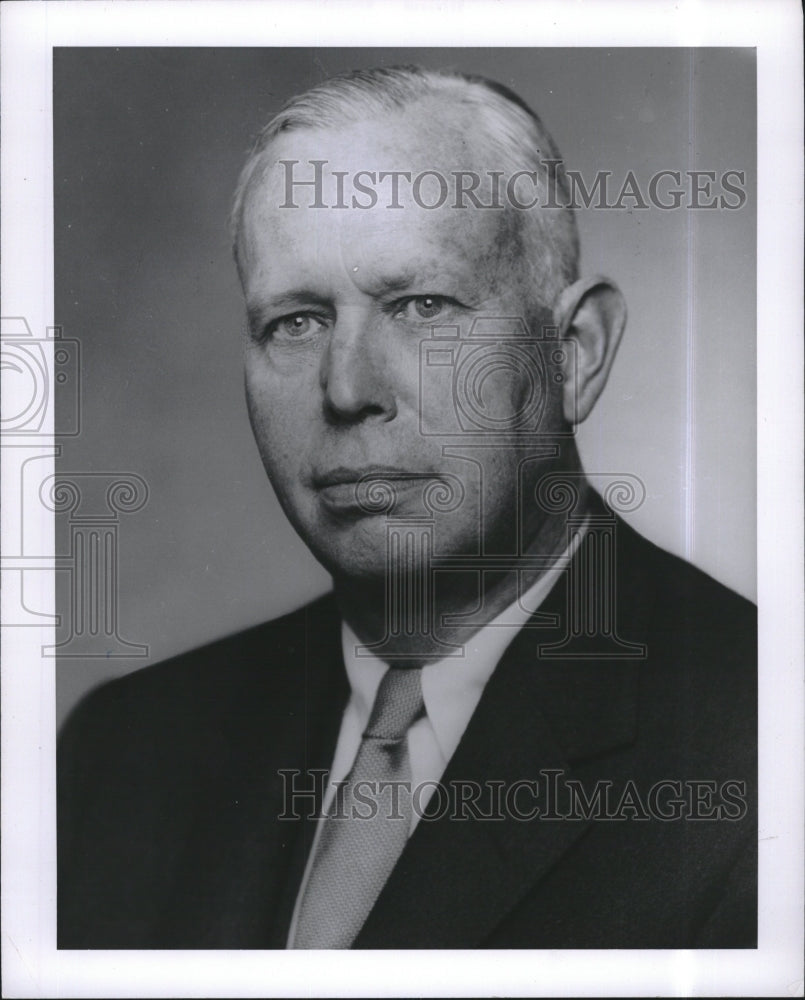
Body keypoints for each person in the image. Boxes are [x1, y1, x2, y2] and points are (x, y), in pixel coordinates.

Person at [58, 66, 756, 949]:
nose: (347, 389)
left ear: (572, 353)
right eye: (296, 321)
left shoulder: (764, 743)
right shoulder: (122, 752)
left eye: (422, 306)